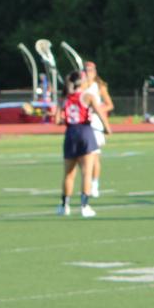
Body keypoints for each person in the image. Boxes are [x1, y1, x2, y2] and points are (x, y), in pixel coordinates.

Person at [55, 71, 100, 218]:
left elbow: (58, 121)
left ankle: (64, 206)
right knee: (87, 173)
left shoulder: (65, 97)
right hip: (85, 133)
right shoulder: (88, 96)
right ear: (82, 81)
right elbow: (99, 113)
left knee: (68, 174)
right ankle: (84, 206)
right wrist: (107, 128)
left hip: (70, 134)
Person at [82, 61, 113, 195]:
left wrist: (97, 109)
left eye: (90, 70)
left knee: (94, 156)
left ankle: (94, 184)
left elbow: (110, 105)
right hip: (82, 124)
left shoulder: (99, 86)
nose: (88, 73)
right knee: (84, 157)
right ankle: (87, 183)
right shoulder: (80, 86)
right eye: (86, 70)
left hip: (96, 124)